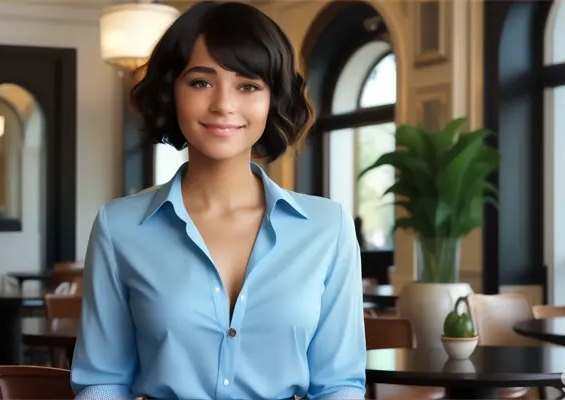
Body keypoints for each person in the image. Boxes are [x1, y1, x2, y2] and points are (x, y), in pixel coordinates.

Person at [70, 2, 366, 399]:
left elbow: (340, 385)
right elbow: (102, 379)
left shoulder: (328, 227)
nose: (224, 105)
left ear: (272, 99)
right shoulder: (118, 227)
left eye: (248, 86)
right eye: (201, 82)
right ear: (171, 91)